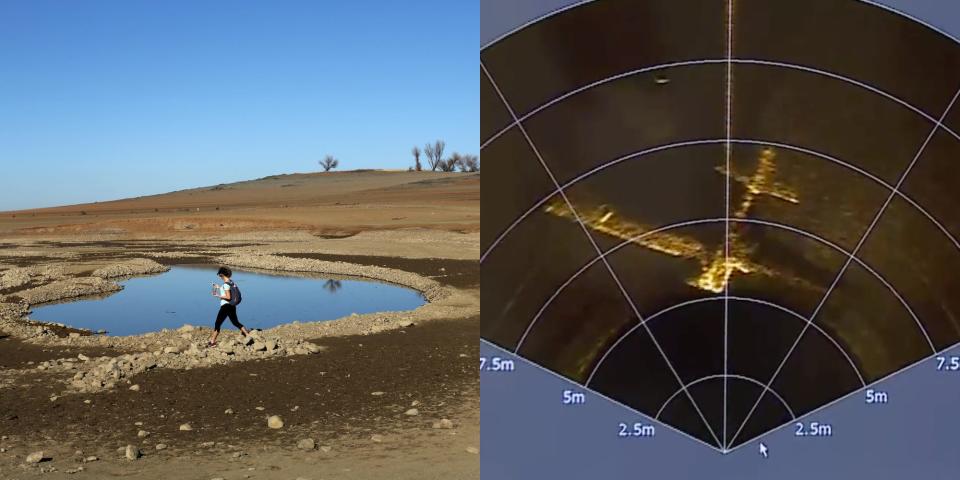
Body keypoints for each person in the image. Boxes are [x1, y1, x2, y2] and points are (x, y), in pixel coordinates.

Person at [208, 267, 250, 346]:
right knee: (235, 322)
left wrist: (217, 295)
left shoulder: (225, 285)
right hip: (232, 306)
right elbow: (227, 289)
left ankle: (212, 342)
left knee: (217, 323)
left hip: (226, 306)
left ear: (222, 275)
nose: (219, 277)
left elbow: (228, 297)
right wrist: (218, 287)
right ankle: (247, 335)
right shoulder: (231, 282)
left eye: (220, 276)